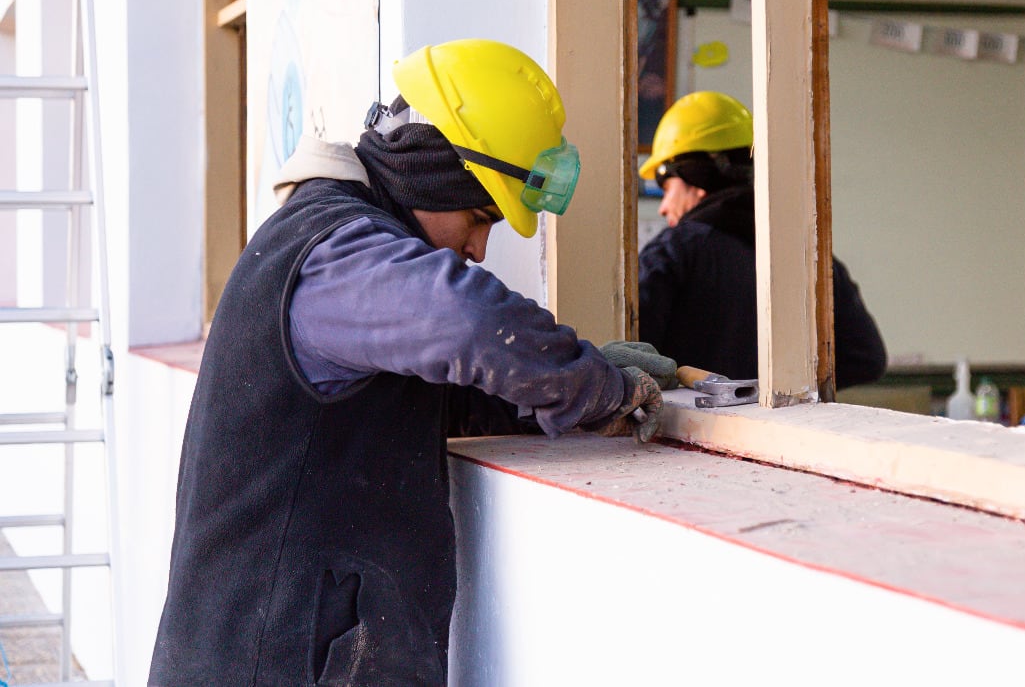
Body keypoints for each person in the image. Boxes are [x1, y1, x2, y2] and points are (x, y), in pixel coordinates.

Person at [149, 39, 673, 686]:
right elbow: (470, 321)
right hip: (273, 661)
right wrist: (594, 386)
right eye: (480, 217)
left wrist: (578, 394)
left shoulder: (339, 243)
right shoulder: (334, 252)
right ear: (437, 173)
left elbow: (422, 397)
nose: (479, 248)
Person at [637, 91, 888, 389]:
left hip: (685, 430)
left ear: (697, 176)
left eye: (667, 188)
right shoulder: (808, 256)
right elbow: (866, 358)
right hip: (786, 432)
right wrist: (780, 391)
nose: (664, 206)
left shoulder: (674, 251)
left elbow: (630, 357)